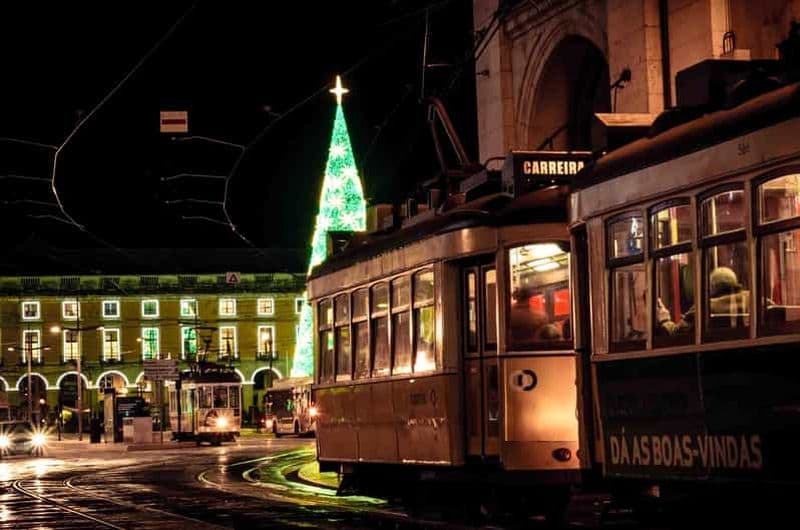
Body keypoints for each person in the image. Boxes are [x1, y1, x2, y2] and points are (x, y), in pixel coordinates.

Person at [657, 266, 748, 334]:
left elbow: (676, 334)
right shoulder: (752, 300)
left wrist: (664, 320)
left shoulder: (705, 307)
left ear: (712, 287)